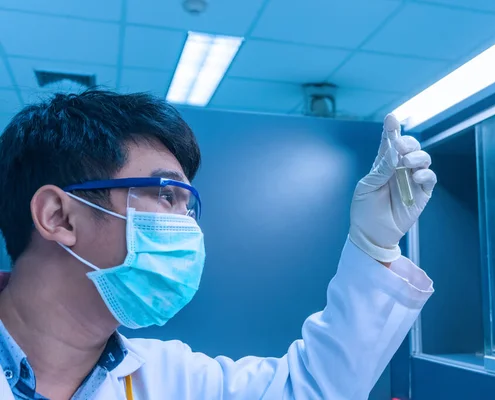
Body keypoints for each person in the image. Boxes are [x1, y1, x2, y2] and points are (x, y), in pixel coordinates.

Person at [0, 90, 437, 400]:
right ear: (59, 216)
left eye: (189, 206)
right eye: (166, 195)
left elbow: (315, 389)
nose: (188, 228)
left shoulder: (170, 378)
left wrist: (374, 245)